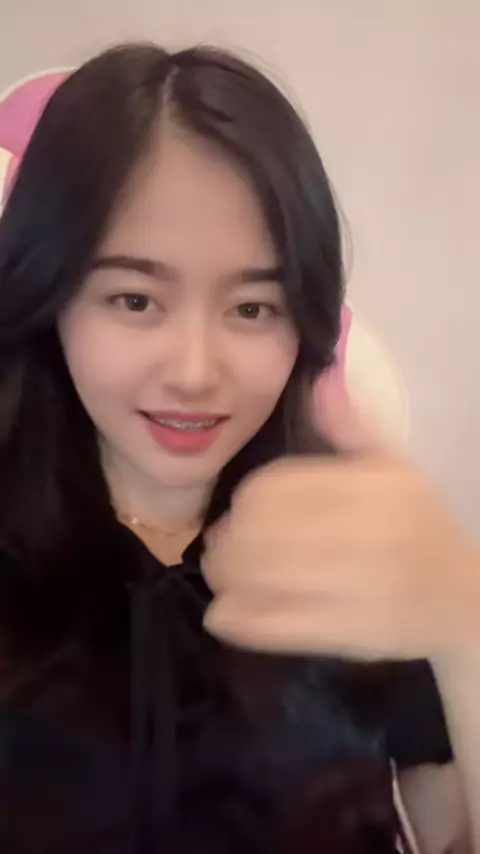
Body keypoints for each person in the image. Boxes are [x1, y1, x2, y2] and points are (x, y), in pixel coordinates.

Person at [0, 42, 471, 853]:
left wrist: (466, 625)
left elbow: (450, 832)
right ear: (54, 297)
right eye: (135, 299)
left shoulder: (360, 557)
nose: (194, 373)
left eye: (253, 309)